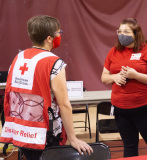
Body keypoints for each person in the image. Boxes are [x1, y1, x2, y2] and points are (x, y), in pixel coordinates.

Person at [0, 15, 93, 160]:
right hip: (45, 133)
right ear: (49, 38)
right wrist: (73, 138)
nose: (60, 35)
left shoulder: (18, 58)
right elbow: (64, 104)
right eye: (58, 33)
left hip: (22, 130)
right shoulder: (54, 62)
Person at [101, 18, 147, 158]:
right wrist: (114, 77)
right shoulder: (114, 52)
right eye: (119, 31)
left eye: (126, 31)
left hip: (145, 109)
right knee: (129, 147)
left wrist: (136, 75)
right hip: (121, 110)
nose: (121, 34)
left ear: (136, 33)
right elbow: (104, 77)